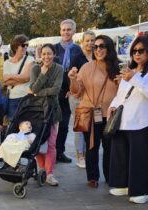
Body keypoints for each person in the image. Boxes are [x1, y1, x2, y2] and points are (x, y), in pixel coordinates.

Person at [107, 34, 148, 204]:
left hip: (143, 121)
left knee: (140, 158)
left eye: (141, 50)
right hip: (124, 120)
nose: (137, 54)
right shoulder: (132, 70)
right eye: (134, 50)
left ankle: (141, 191)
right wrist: (112, 105)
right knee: (121, 155)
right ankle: (122, 184)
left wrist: (134, 79)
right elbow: (122, 94)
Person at [69, 35, 120, 188]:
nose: (98, 49)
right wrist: (72, 79)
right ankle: (92, 177)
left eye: (102, 46)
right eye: (95, 46)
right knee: (91, 146)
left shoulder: (117, 68)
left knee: (110, 148)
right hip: (90, 114)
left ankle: (110, 176)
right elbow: (76, 92)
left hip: (111, 115)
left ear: (109, 48)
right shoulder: (86, 67)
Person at [27, 43, 63, 186]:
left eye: (49, 53)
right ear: (40, 55)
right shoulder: (35, 69)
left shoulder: (59, 69)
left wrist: (38, 92)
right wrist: (42, 73)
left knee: (51, 144)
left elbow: (56, 90)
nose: (46, 56)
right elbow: (33, 87)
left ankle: (49, 174)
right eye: (44, 54)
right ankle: (42, 169)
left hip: (53, 111)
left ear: (54, 54)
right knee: (39, 142)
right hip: (38, 111)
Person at [53, 19, 86, 164]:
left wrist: (70, 89)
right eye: (63, 29)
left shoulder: (78, 50)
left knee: (65, 124)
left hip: (68, 92)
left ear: (74, 31)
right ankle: (49, 152)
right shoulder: (54, 48)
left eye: (69, 29)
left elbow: (80, 73)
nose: (66, 32)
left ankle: (60, 151)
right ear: (60, 31)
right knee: (51, 123)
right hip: (54, 91)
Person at [71, 31, 95, 169]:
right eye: (87, 40)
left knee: (91, 126)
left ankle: (87, 153)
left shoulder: (98, 57)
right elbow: (72, 77)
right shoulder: (77, 58)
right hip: (79, 97)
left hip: (93, 97)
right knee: (80, 127)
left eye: (92, 40)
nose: (90, 43)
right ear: (82, 42)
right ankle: (80, 155)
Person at [3, 35, 34, 120]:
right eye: (23, 45)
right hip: (12, 99)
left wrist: (10, 76)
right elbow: (6, 82)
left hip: (26, 97)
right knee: (13, 126)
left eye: (27, 45)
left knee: (26, 126)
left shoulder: (30, 59)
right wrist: (22, 78)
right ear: (16, 46)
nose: (26, 47)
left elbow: (27, 77)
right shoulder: (7, 63)